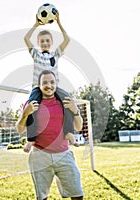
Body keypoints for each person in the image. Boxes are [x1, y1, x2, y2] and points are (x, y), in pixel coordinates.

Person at [16, 70, 84, 200]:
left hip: (64, 154)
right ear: (39, 85)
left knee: (77, 194)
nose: (49, 85)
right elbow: (20, 129)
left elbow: (78, 127)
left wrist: (76, 111)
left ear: (56, 83)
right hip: (40, 156)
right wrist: (25, 113)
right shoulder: (31, 103)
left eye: (52, 82)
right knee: (42, 197)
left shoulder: (64, 102)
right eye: (45, 82)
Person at [24, 11, 78, 152]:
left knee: (68, 102)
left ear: (51, 42)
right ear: (39, 43)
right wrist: (36, 24)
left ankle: (69, 133)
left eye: (48, 40)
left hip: (53, 88)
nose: (45, 43)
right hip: (38, 87)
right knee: (31, 107)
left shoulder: (55, 54)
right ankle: (31, 140)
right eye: (42, 41)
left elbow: (67, 40)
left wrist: (58, 22)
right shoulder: (36, 55)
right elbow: (26, 38)